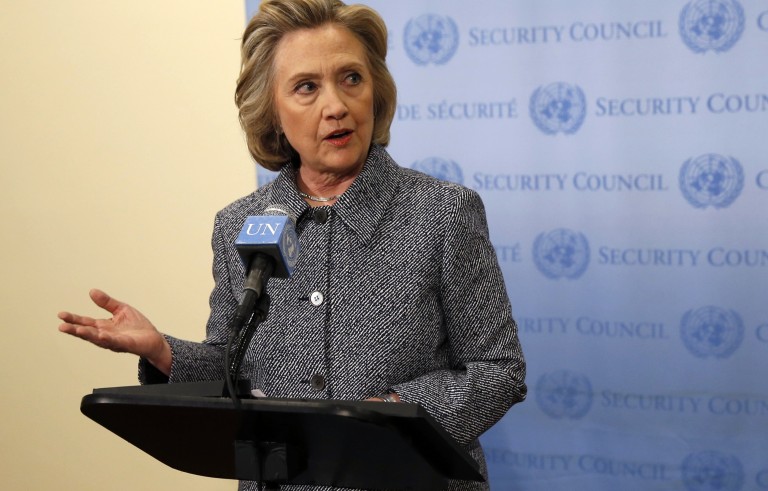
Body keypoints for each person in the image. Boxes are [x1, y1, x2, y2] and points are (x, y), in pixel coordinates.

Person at [58, 1, 527, 490]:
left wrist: (391, 414)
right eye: (307, 87)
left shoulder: (443, 213)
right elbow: (231, 370)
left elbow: (499, 370)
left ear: (376, 91)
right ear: (273, 112)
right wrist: (162, 352)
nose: (336, 105)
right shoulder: (240, 222)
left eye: (351, 78)